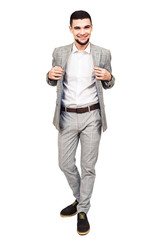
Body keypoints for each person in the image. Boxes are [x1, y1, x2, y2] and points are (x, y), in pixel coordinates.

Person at [46, 10, 115, 235]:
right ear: (70, 29)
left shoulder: (103, 53)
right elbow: (52, 80)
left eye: (86, 27)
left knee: (88, 167)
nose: (82, 32)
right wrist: (49, 75)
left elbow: (109, 82)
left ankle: (83, 209)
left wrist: (109, 78)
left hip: (91, 116)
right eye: (77, 27)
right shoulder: (59, 52)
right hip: (66, 115)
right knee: (65, 164)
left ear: (91, 28)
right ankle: (80, 198)